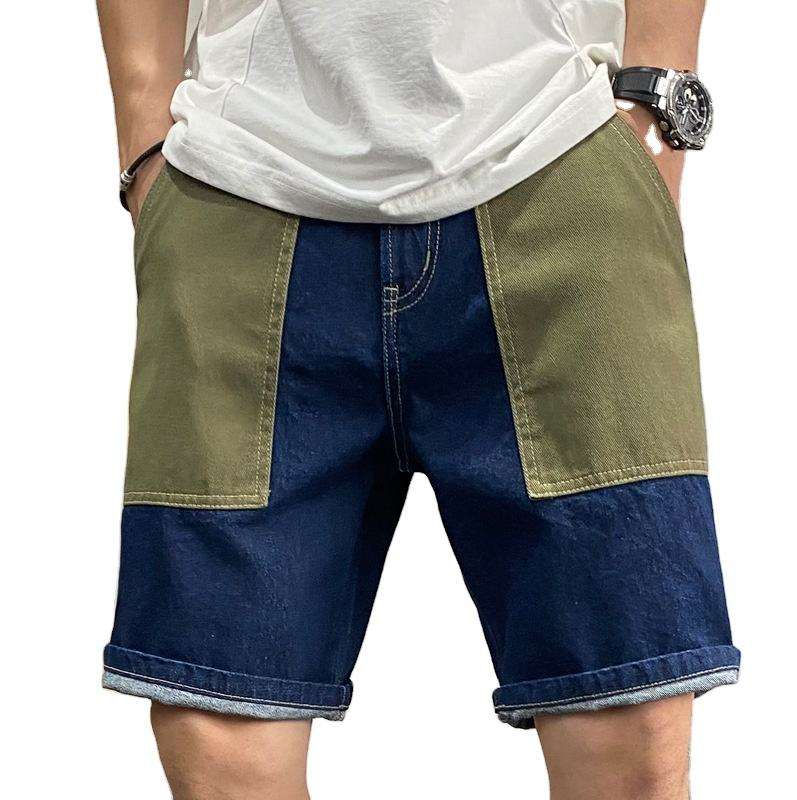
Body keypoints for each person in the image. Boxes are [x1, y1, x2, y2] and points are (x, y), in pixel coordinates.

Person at [97, 1, 738, 797]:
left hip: (558, 174)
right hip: (237, 196)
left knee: (629, 730)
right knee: (220, 741)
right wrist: (144, 149)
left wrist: (654, 109)